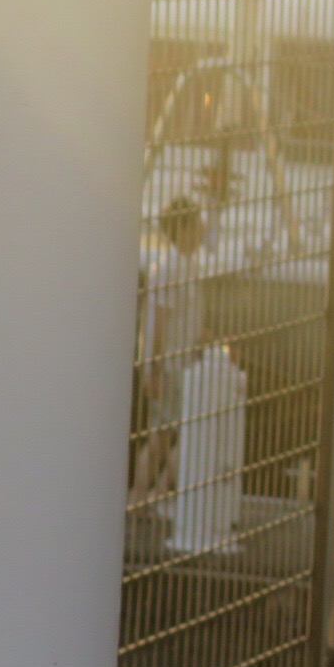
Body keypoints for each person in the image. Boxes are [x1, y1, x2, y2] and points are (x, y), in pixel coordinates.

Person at [131, 196, 207, 505]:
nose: (203, 229)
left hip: (182, 365)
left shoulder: (187, 266)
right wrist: (155, 370)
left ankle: (157, 494)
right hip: (169, 367)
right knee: (165, 436)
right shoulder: (170, 268)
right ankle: (143, 497)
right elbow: (158, 323)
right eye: (198, 222)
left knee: (176, 434)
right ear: (185, 228)